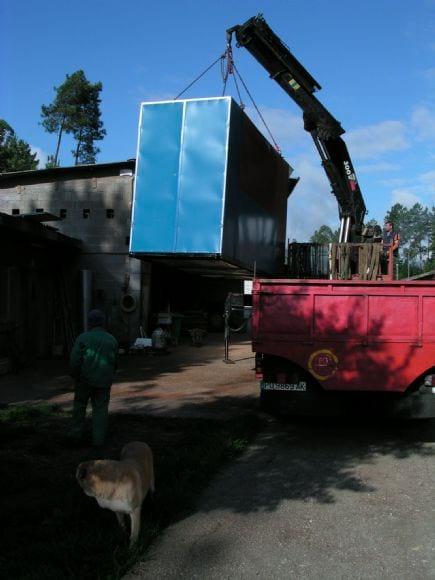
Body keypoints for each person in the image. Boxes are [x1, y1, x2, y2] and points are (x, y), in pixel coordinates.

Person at [68, 309, 118, 447]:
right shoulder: (112, 339)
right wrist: (110, 374)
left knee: (79, 407)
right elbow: (115, 362)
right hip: (104, 381)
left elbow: (74, 360)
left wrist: (74, 375)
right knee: (100, 410)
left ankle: (75, 436)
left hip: (84, 380)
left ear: (89, 323)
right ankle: (98, 441)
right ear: (103, 322)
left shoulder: (83, 338)